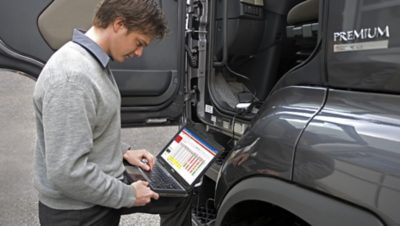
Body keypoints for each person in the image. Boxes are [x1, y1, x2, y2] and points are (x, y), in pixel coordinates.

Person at [33, 0, 191, 225]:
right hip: (79, 211)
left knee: (179, 196)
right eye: (138, 42)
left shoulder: (91, 63)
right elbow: (67, 172)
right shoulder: (72, 77)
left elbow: (88, 130)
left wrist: (122, 151)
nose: (138, 52)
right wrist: (127, 195)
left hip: (98, 188)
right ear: (119, 24)